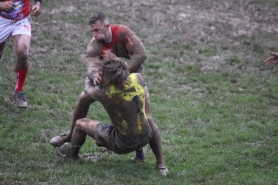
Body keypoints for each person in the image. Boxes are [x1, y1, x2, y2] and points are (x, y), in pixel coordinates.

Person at [50, 11, 156, 163]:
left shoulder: (122, 32)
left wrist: (123, 73)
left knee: (140, 112)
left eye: (97, 30)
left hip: (133, 79)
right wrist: (94, 76)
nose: (94, 34)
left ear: (107, 27)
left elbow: (141, 54)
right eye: (92, 31)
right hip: (109, 82)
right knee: (82, 99)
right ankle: (70, 134)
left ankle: (146, 157)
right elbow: (91, 67)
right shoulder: (94, 45)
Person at [56, 59, 168, 176]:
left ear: (107, 78)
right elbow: (137, 73)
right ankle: (160, 164)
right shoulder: (138, 78)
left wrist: (94, 77)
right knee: (143, 118)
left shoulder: (103, 91)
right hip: (146, 136)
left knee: (80, 124)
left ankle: (72, 155)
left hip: (121, 144)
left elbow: (87, 88)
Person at [0, 0, 42, 108]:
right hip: (1, 19)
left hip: (21, 20)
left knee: (23, 53)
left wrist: (37, 4)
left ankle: (18, 91)